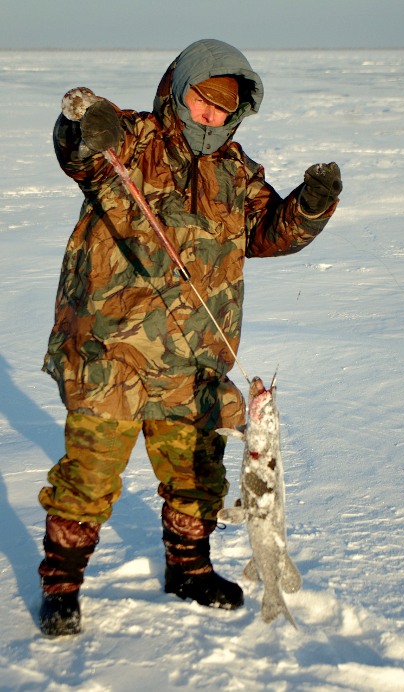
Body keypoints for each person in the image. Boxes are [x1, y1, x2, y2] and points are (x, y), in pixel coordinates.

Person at [38, 38, 342, 636]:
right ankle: (62, 585)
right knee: (90, 477)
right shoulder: (131, 139)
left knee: (199, 473)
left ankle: (190, 570)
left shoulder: (236, 171)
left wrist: (309, 207)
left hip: (193, 360)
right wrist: (80, 123)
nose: (210, 117)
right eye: (203, 102)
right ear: (179, 91)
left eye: (223, 110)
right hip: (110, 355)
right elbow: (78, 154)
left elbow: (269, 232)